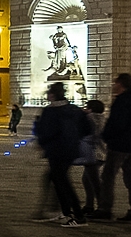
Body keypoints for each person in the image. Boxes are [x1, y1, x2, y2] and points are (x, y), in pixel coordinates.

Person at [31, 81, 91, 226]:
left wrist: (40, 135)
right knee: (57, 179)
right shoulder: (75, 110)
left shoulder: (50, 112)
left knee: (63, 182)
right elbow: (88, 128)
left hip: (56, 150)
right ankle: (65, 212)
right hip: (71, 150)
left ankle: (76, 215)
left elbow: (46, 133)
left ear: (52, 95)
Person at [94, 73, 131, 222]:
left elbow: (116, 124)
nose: (113, 85)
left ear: (121, 84)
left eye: (115, 83)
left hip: (119, 145)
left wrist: (107, 136)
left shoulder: (122, 101)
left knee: (108, 177)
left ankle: (105, 209)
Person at [78, 100, 107, 217]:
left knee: (93, 181)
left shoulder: (90, 118)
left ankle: (101, 207)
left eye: (87, 107)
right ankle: (89, 205)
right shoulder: (103, 118)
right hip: (101, 152)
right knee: (87, 179)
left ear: (91, 109)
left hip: (93, 153)